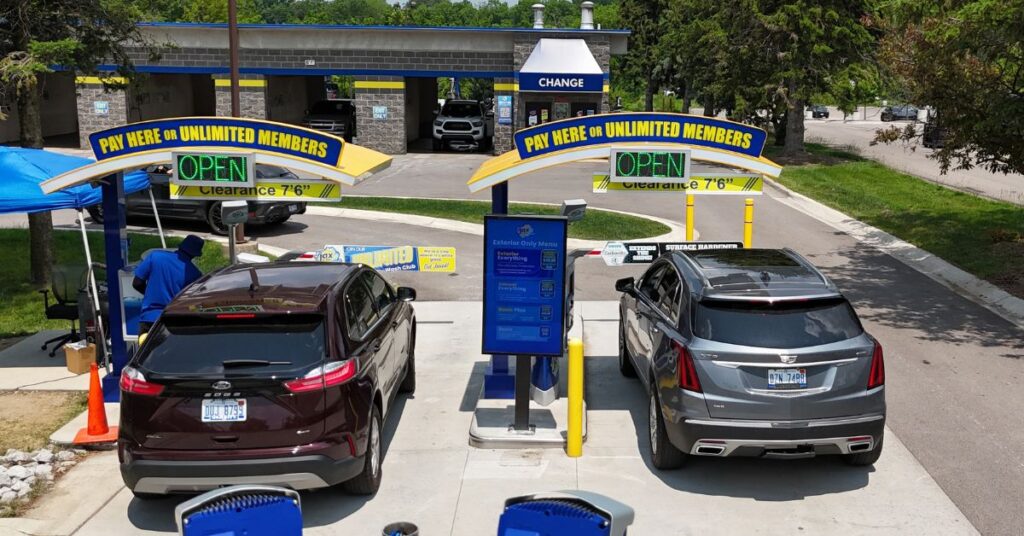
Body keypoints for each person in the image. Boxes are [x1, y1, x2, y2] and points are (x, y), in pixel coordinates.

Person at [132, 235, 204, 334]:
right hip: (173, 321)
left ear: (180, 246)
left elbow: (137, 283)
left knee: (146, 349)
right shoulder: (194, 274)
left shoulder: (155, 257)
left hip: (148, 318)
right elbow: (192, 304)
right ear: (195, 254)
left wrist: (150, 295)